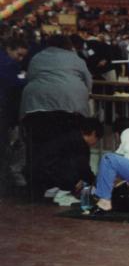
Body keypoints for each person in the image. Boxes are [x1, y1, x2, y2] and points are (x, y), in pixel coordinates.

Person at [20, 34, 92, 196]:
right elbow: (88, 83)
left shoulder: (37, 57)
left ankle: (39, 185)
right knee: (69, 147)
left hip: (35, 107)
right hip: (70, 107)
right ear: (68, 45)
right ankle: (68, 184)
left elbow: (31, 77)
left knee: (38, 147)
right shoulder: (76, 59)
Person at [34, 117, 103, 194]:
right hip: (51, 176)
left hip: (40, 171)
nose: (95, 143)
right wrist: (97, 182)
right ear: (93, 133)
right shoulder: (81, 144)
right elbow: (84, 169)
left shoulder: (71, 135)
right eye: (97, 139)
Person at [0, 37, 28, 195]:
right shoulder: (8, 64)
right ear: (10, 49)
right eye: (19, 55)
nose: (20, 59)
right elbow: (18, 82)